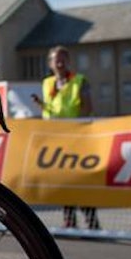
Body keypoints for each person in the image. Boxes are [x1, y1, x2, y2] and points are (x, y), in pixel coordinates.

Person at [31, 45, 100, 230]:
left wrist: (77, 128)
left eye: (63, 59)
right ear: (50, 63)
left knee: (81, 181)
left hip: (76, 138)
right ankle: (69, 219)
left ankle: (91, 220)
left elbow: (87, 106)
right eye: (56, 59)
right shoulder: (47, 83)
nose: (59, 63)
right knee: (63, 181)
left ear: (68, 62)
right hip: (56, 139)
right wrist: (40, 105)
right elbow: (53, 109)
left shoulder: (79, 81)